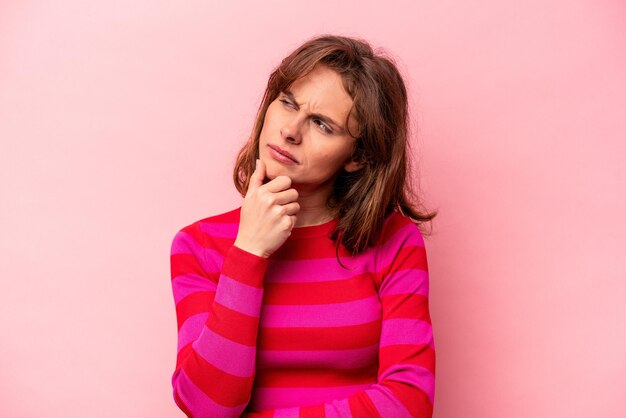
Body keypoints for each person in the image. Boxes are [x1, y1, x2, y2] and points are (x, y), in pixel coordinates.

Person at [169, 34, 437, 418]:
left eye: (322, 125)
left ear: (357, 158)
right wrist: (248, 254)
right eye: (287, 103)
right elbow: (207, 406)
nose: (290, 130)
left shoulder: (395, 242)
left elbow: (409, 403)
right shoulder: (199, 245)